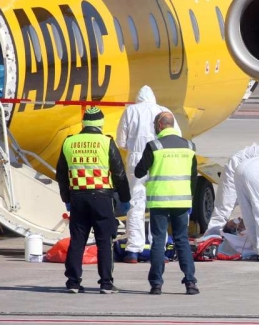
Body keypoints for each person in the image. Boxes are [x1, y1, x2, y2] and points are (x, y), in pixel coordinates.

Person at [56, 107, 131, 294]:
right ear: (100, 123)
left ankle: (73, 282)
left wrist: (67, 198)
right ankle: (106, 283)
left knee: (77, 240)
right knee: (104, 241)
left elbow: (61, 174)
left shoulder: (69, 142)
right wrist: (125, 198)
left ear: (84, 123)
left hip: (78, 196)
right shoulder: (106, 142)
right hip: (102, 197)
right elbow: (119, 173)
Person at [134, 112, 198, 295]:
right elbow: (193, 177)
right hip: (182, 200)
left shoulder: (154, 146)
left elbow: (139, 172)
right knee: (182, 240)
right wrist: (190, 197)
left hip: (159, 202)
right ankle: (190, 282)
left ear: (160, 126)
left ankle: (156, 284)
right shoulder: (189, 146)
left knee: (158, 241)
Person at [116, 85, 182, 264]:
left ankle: (133, 250)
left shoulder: (130, 111)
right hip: (160, 158)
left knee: (135, 204)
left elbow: (121, 141)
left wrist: (134, 147)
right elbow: (176, 137)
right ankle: (158, 250)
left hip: (136, 159)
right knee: (158, 206)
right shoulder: (164, 111)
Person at [203, 144, 259, 237]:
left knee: (252, 211)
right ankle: (211, 236)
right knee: (224, 207)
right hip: (240, 164)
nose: (237, 220)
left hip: (253, 166)